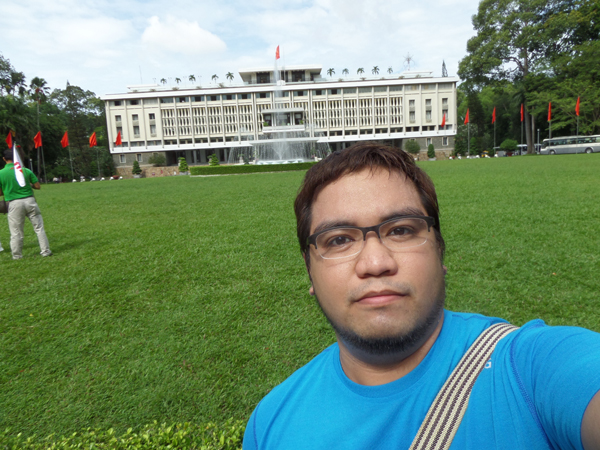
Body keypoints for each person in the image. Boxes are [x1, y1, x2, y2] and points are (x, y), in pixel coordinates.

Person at [243, 143, 600, 450]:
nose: (375, 263)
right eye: (338, 239)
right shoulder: (270, 423)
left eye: (401, 230)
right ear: (310, 271)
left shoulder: (531, 367)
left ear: (439, 254)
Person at [0, 149, 52, 260]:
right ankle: (45, 251)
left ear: (4, 159)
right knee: (39, 228)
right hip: (30, 201)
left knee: (16, 232)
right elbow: (37, 186)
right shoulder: (26, 170)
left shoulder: (1, 173)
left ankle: (17, 255)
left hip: (14, 203)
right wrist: (29, 185)